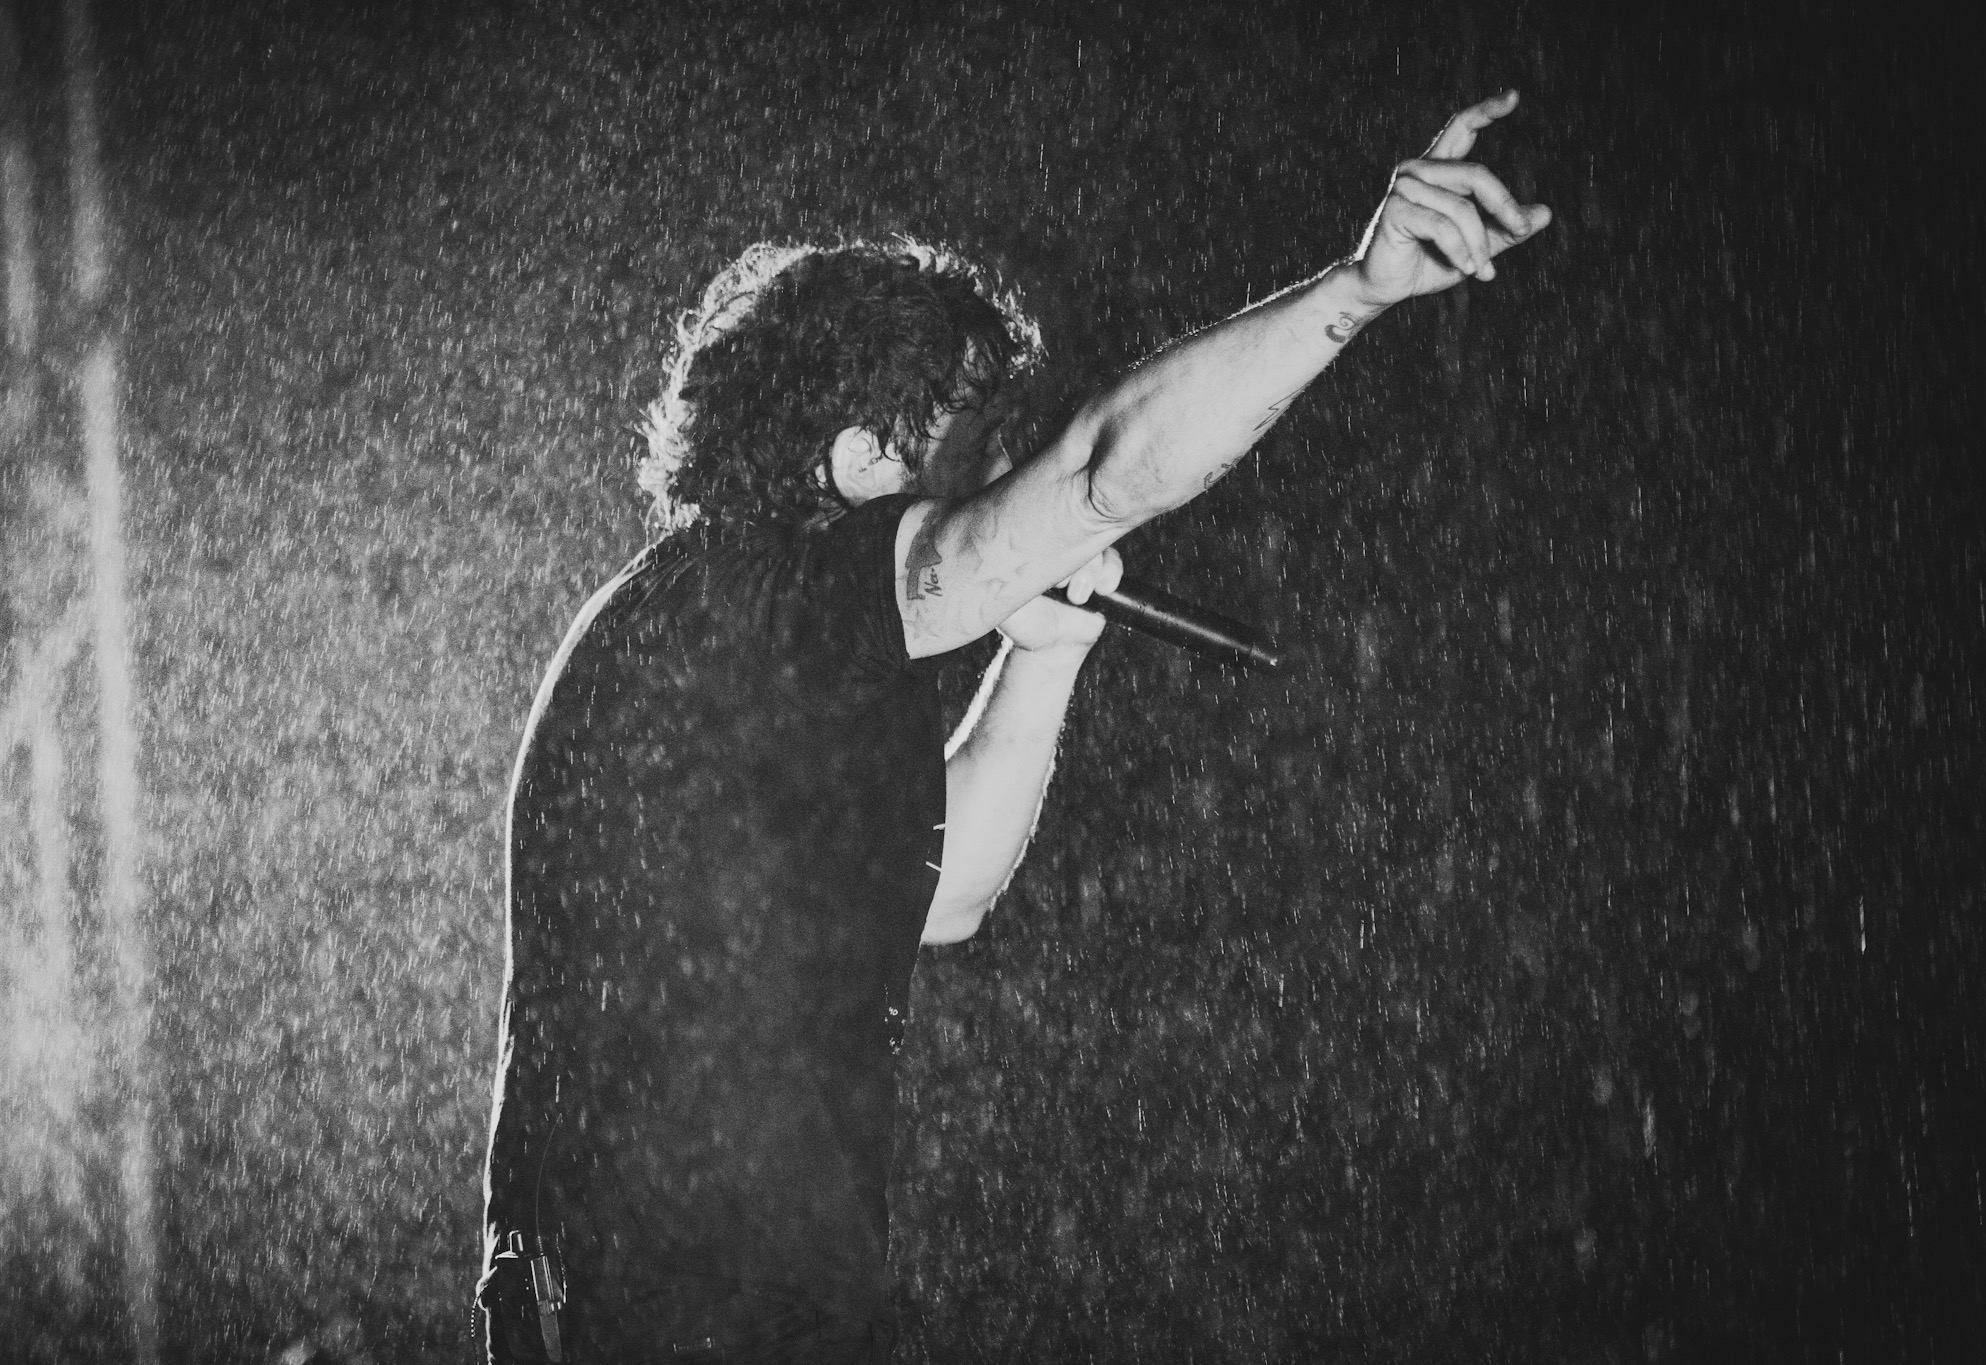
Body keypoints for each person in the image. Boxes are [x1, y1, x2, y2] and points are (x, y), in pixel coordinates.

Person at [476, 92, 1549, 1364]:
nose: (997, 479)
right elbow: (1098, 470)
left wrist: (1043, 653)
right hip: (658, 1306)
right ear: (862, 458)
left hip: (737, 1304)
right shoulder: (745, 592)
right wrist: (1353, 293)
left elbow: (947, 900)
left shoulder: (767, 654)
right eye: (976, 441)